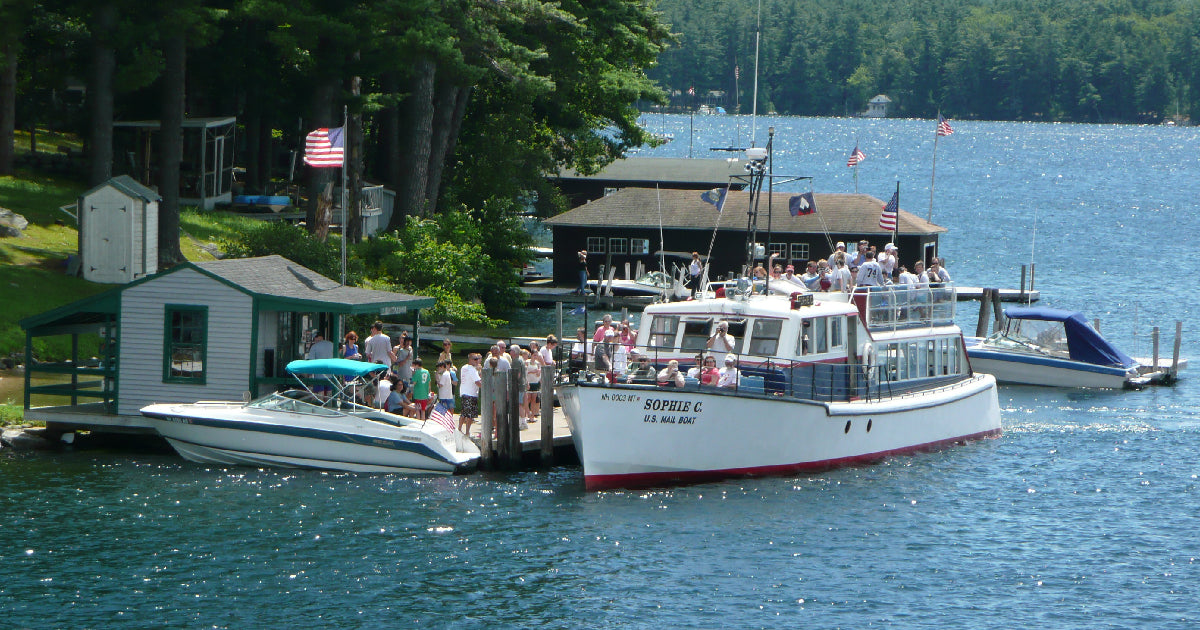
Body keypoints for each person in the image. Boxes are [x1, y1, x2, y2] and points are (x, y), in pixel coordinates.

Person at [458, 353, 482, 436]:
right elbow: (478, 382)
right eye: (475, 359)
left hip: (464, 392)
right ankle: (467, 431)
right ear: (470, 360)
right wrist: (487, 387)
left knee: (464, 413)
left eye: (478, 359)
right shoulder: (472, 369)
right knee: (469, 415)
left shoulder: (464, 367)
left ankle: (459, 429)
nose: (477, 361)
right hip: (471, 394)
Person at [524, 348, 541, 423]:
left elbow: (539, 371)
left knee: (534, 399)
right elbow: (525, 372)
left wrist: (538, 373)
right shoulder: (527, 362)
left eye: (536, 356)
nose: (535, 357)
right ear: (531, 355)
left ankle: (532, 415)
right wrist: (532, 371)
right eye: (534, 355)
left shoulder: (538, 363)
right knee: (528, 399)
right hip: (529, 382)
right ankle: (526, 415)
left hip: (535, 382)